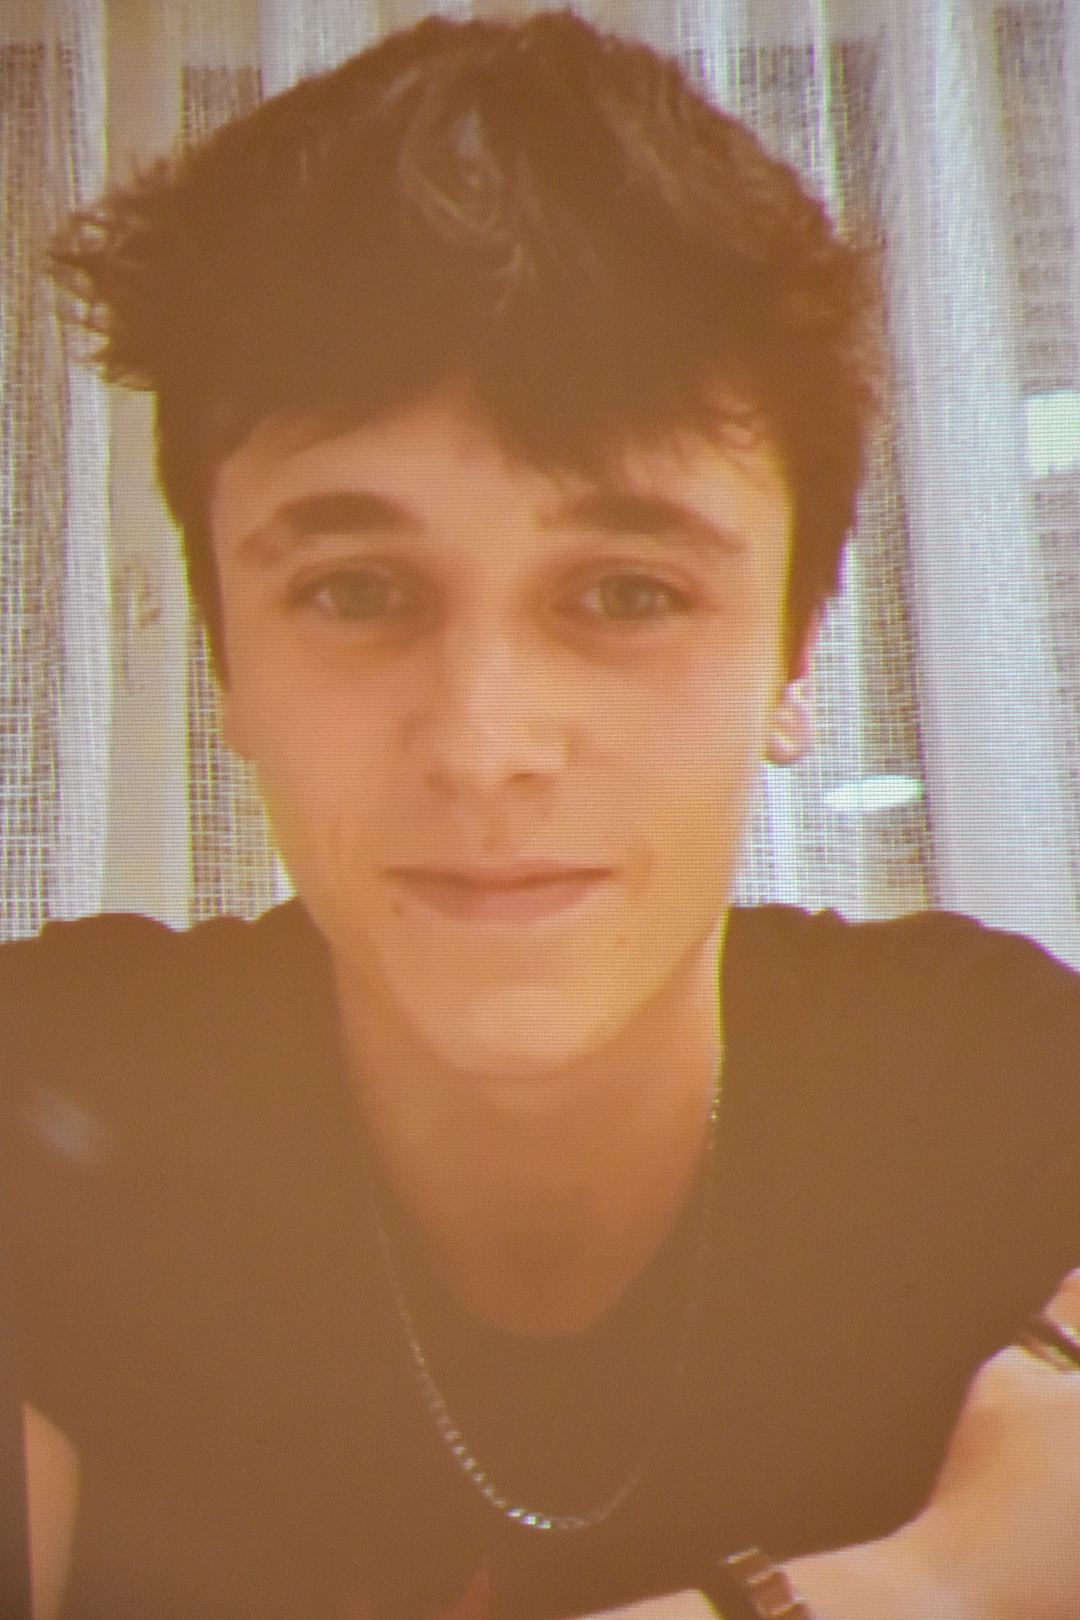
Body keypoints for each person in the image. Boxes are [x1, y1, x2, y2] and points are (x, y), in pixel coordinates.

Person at [6, 9, 1080, 1619]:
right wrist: (934, 1590)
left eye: (628, 591)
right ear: (226, 660)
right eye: (354, 590)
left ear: (793, 655)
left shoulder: (1008, 1101)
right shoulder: (46, 1105)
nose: (483, 743)